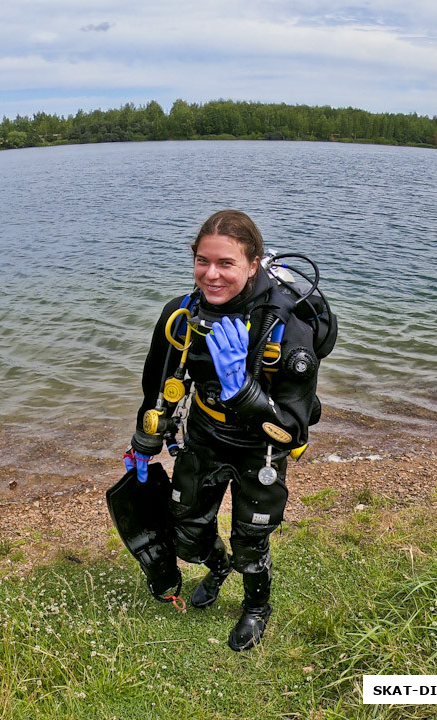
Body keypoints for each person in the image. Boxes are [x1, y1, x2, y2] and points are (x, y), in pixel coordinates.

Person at [123, 209, 335, 651]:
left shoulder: (287, 329)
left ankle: (257, 607)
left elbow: (293, 429)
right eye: (203, 261)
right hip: (204, 434)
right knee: (187, 533)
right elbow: (159, 388)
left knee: (249, 544)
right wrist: (143, 444)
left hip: (261, 449)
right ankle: (215, 569)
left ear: (254, 263)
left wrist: (243, 390)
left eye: (226, 264)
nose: (211, 275)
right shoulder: (180, 316)